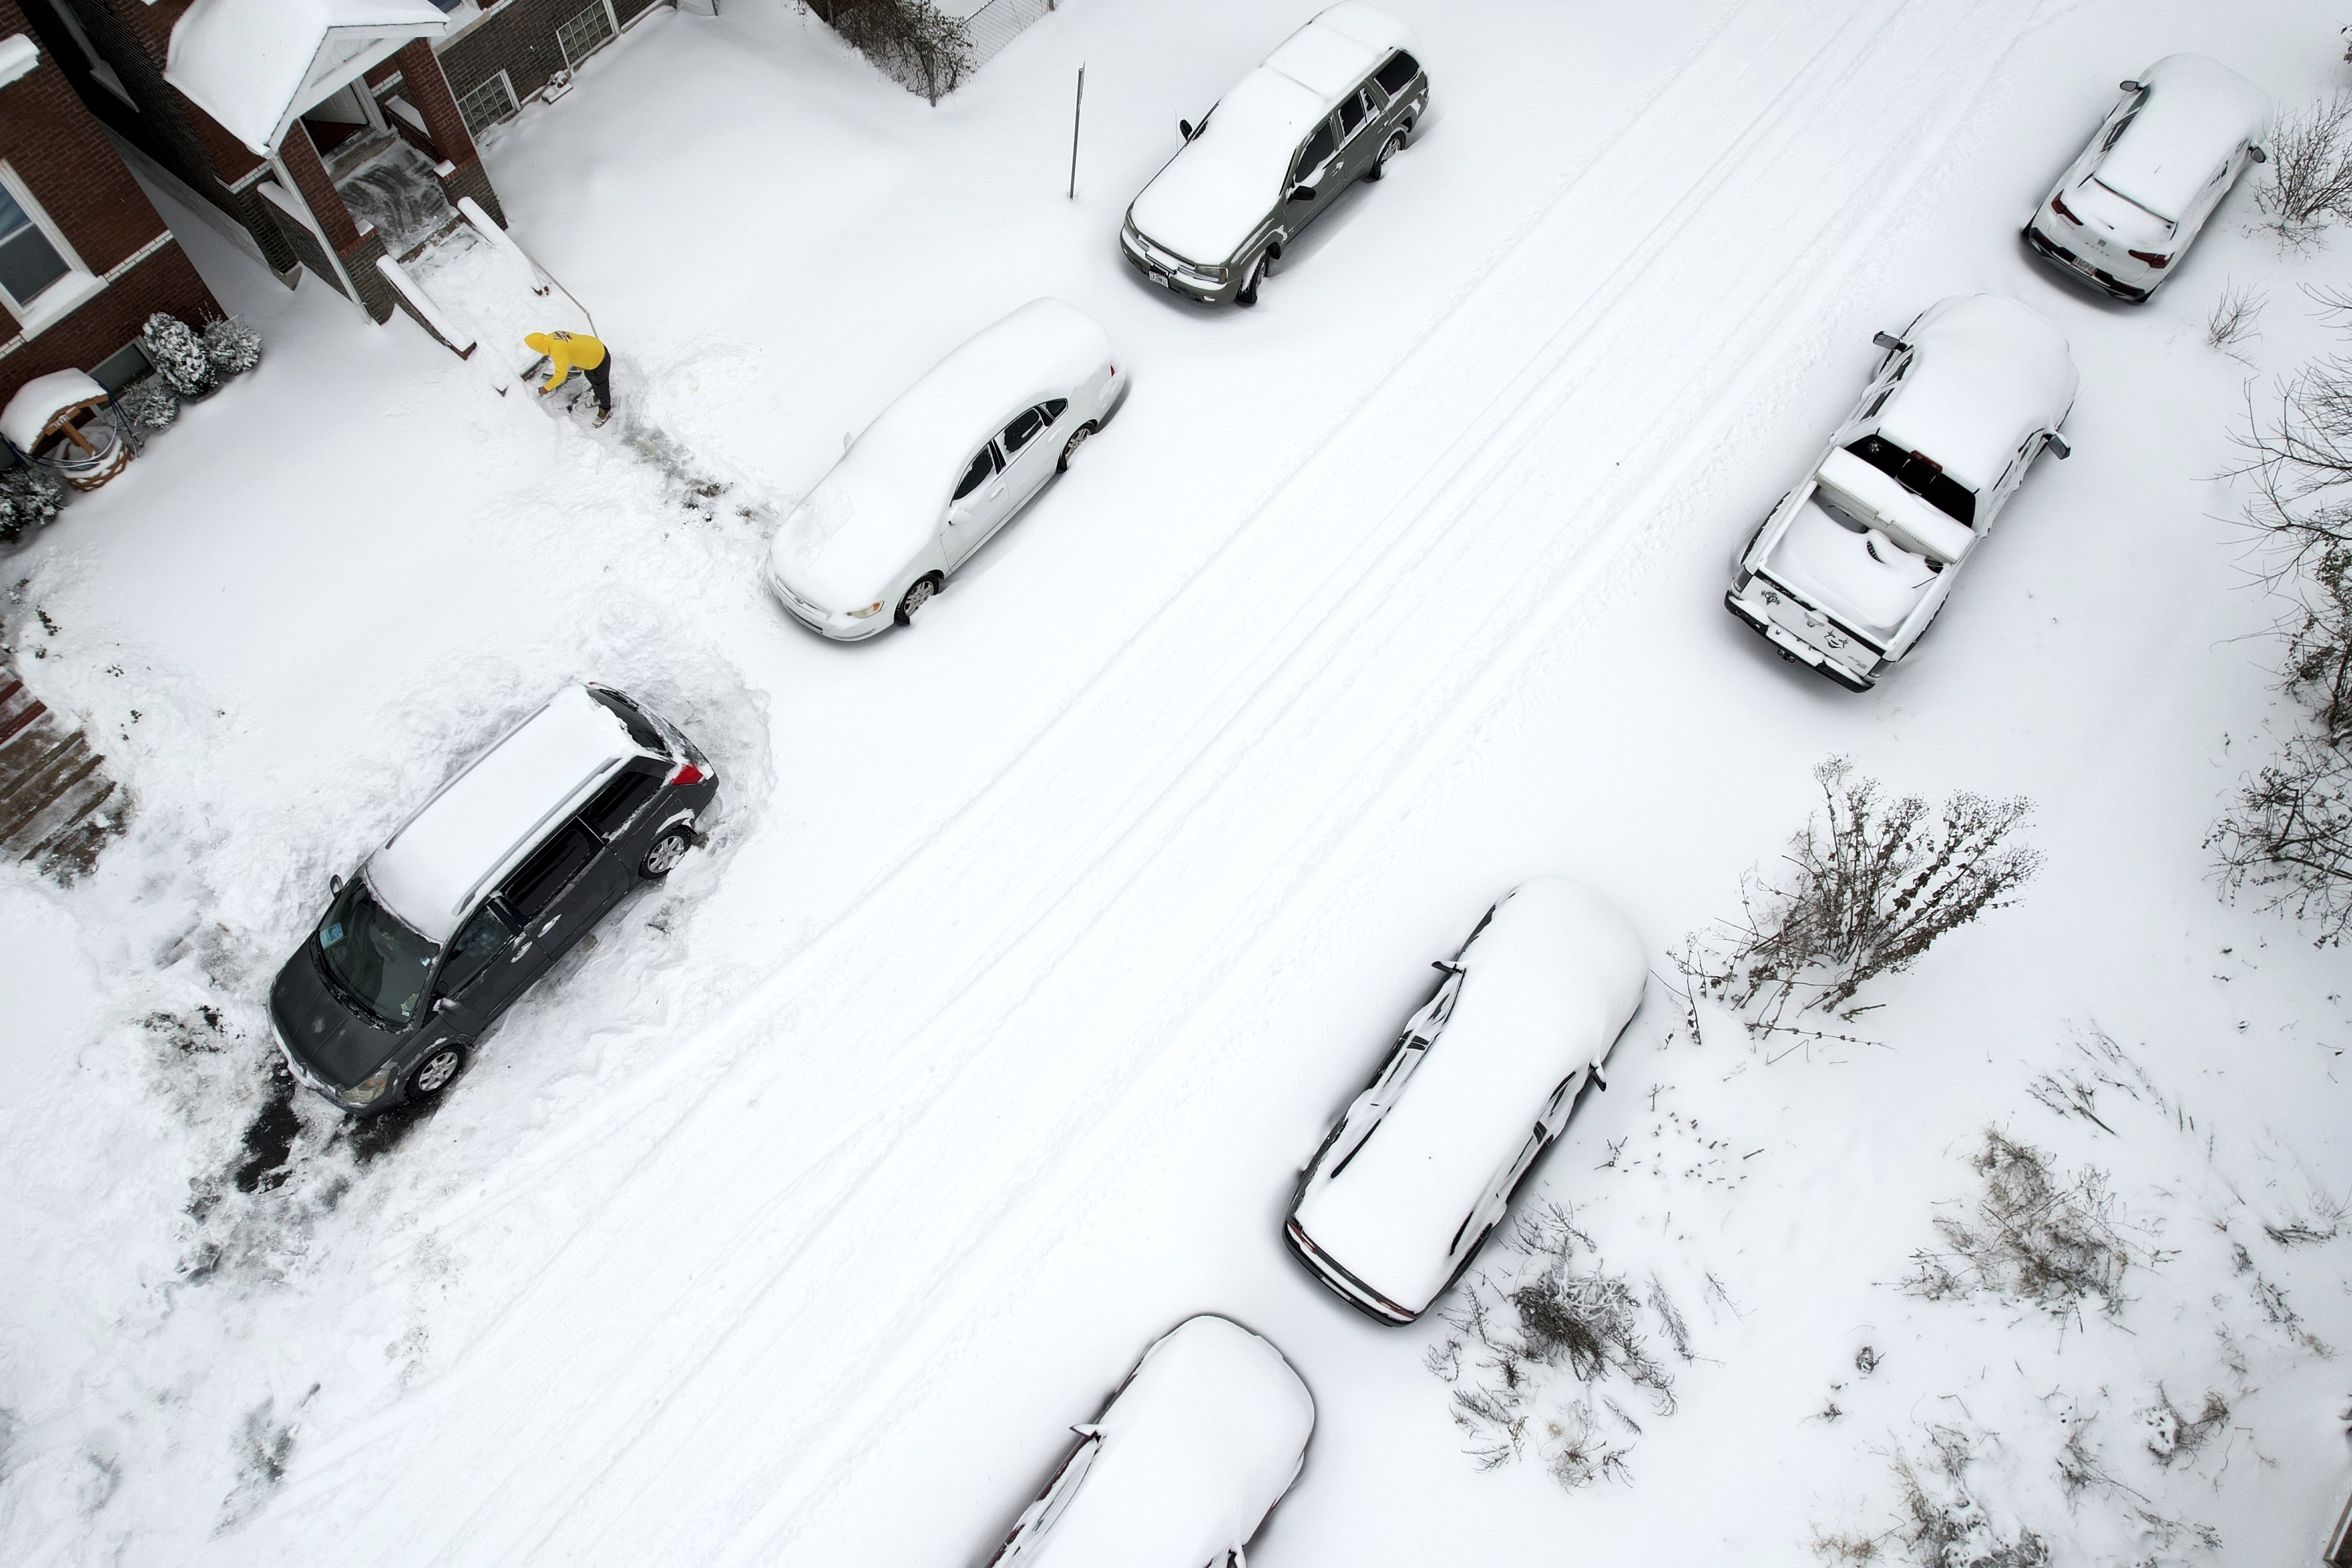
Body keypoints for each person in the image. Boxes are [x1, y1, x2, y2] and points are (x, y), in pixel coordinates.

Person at [525, 330, 612, 427]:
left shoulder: (557, 349)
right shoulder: (553, 336)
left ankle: (606, 410)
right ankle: (599, 397)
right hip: (595, 349)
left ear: (539, 347)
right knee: (591, 378)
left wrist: (546, 388)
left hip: (599, 359)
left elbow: (561, 374)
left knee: (601, 387)